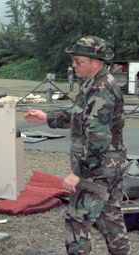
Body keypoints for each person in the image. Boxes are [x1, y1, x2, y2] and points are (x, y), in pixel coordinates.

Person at [24, 35, 131, 254]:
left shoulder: (101, 89)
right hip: (109, 167)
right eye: (73, 61)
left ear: (95, 62)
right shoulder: (93, 84)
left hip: (97, 170)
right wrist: (46, 118)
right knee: (111, 220)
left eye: (78, 61)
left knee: (76, 224)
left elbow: (98, 140)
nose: (73, 66)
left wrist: (78, 173)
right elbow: (78, 115)